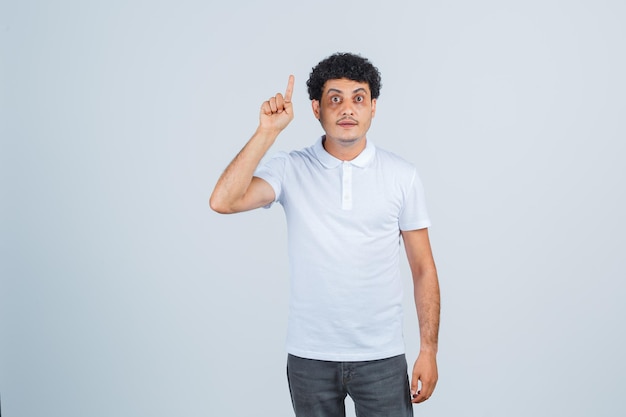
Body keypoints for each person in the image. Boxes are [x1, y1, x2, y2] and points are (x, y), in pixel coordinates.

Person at [210, 52, 440, 417]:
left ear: (373, 107)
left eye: (358, 98)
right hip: (310, 358)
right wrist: (267, 132)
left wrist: (428, 349)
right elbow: (223, 201)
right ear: (316, 109)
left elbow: (423, 268)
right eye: (335, 99)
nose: (347, 109)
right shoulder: (289, 168)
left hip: (380, 356)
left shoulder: (402, 175)